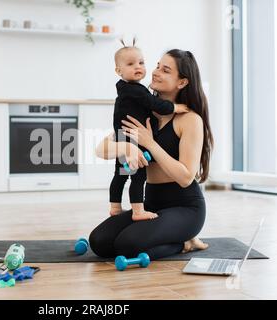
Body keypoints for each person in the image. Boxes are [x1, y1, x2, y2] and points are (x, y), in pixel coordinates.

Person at [90, 49, 214, 260]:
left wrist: (150, 143)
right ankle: (178, 239)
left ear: (182, 82)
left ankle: (185, 242)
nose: (156, 72)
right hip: (152, 203)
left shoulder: (189, 119)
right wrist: (127, 148)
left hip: (185, 207)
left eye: (165, 70)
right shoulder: (144, 109)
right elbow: (101, 150)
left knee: (128, 244)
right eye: (157, 66)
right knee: (99, 242)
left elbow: (185, 177)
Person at [110, 42, 189, 221]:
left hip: (124, 138)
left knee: (121, 174)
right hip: (133, 141)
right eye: (131, 64)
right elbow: (156, 105)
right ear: (118, 71)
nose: (138, 67)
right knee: (138, 176)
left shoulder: (125, 89)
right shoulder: (135, 90)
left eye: (141, 62)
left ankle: (115, 207)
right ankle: (138, 211)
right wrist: (174, 108)